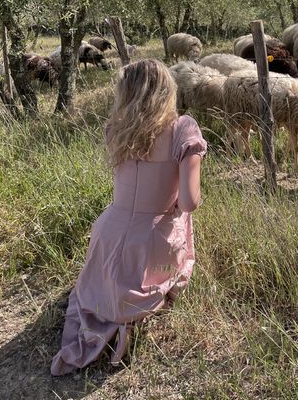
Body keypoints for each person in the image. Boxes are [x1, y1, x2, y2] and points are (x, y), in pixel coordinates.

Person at [51, 59, 207, 375]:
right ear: (166, 90)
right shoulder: (183, 128)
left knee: (101, 288)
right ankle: (153, 288)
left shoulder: (115, 129)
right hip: (152, 242)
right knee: (178, 220)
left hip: (107, 234)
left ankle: (109, 298)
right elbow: (190, 203)